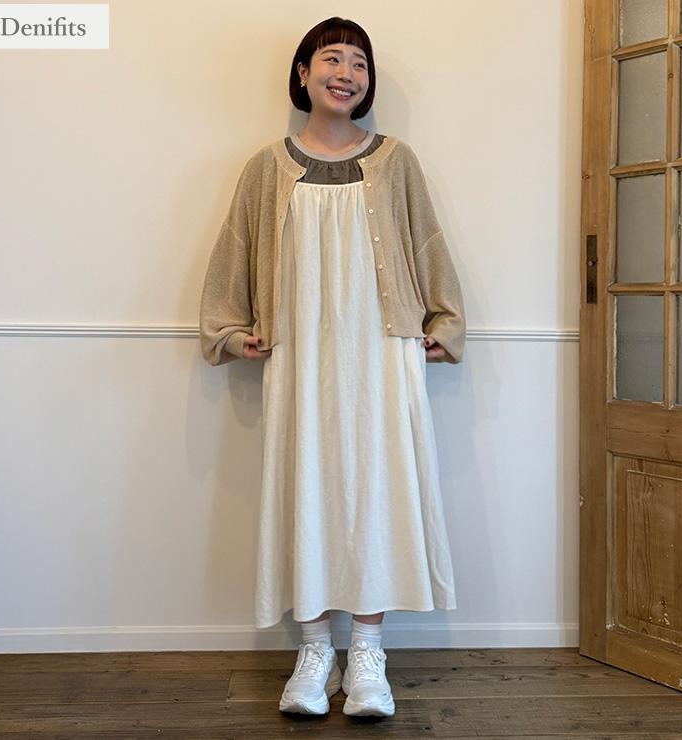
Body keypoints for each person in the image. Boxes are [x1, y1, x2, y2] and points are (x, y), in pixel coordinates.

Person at [199, 16, 466, 719]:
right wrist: (229, 331)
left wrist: (443, 322)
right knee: (306, 490)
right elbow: (235, 249)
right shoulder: (266, 167)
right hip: (299, 353)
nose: (346, 73)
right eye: (332, 59)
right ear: (303, 73)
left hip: (382, 352)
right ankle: (316, 651)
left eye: (359, 63)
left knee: (377, 493)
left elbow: (427, 242)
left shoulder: (397, 161)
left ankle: (369, 653)